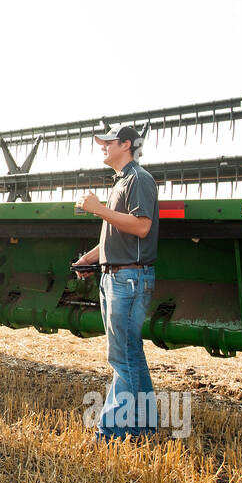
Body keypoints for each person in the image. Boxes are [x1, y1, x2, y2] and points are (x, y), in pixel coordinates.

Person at [71, 126, 160, 441]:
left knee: (121, 356)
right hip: (117, 276)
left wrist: (98, 209)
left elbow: (142, 227)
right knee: (130, 353)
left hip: (130, 279)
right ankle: (143, 427)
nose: (102, 147)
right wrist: (91, 258)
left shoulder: (139, 179)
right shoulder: (122, 182)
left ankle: (110, 433)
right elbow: (116, 232)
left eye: (108, 143)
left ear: (126, 145)